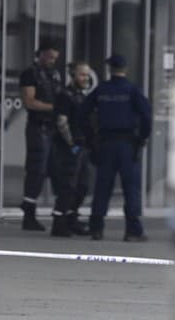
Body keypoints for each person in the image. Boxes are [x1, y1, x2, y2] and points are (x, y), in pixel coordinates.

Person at [84, 54, 152, 241]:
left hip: (106, 143)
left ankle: (96, 228)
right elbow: (146, 115)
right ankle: (133, 230)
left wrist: (91, 138)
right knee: (131, 188)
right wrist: (142, 137)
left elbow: (84, 112)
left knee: (102, 186)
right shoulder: (132, 90)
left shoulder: (101, 90)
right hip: (127, 144)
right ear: (125, 69)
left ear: (109, 69)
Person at [19, 37, 64, 231]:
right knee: (36, 170)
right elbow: (29, 101)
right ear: (41, 54)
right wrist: (54, 108)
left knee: (57, 170)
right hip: (38, 128)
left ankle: (61, 216)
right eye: (49, 57)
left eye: (55, 58)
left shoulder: (54, 74)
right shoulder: (30, 74)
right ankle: (29, 214)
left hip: (53, 129)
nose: (52, 61)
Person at [49, 60, 93, 236]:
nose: (85, 77)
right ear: (73, 75)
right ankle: (59, 223)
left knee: (82, 186)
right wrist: (71, 144)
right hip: (70, 148)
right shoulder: (65, 95)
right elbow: (62, 122)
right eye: (82, 74)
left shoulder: (80, 95)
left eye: (87, 74)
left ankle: (71, 218)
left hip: (81, 147)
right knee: (67, 185)